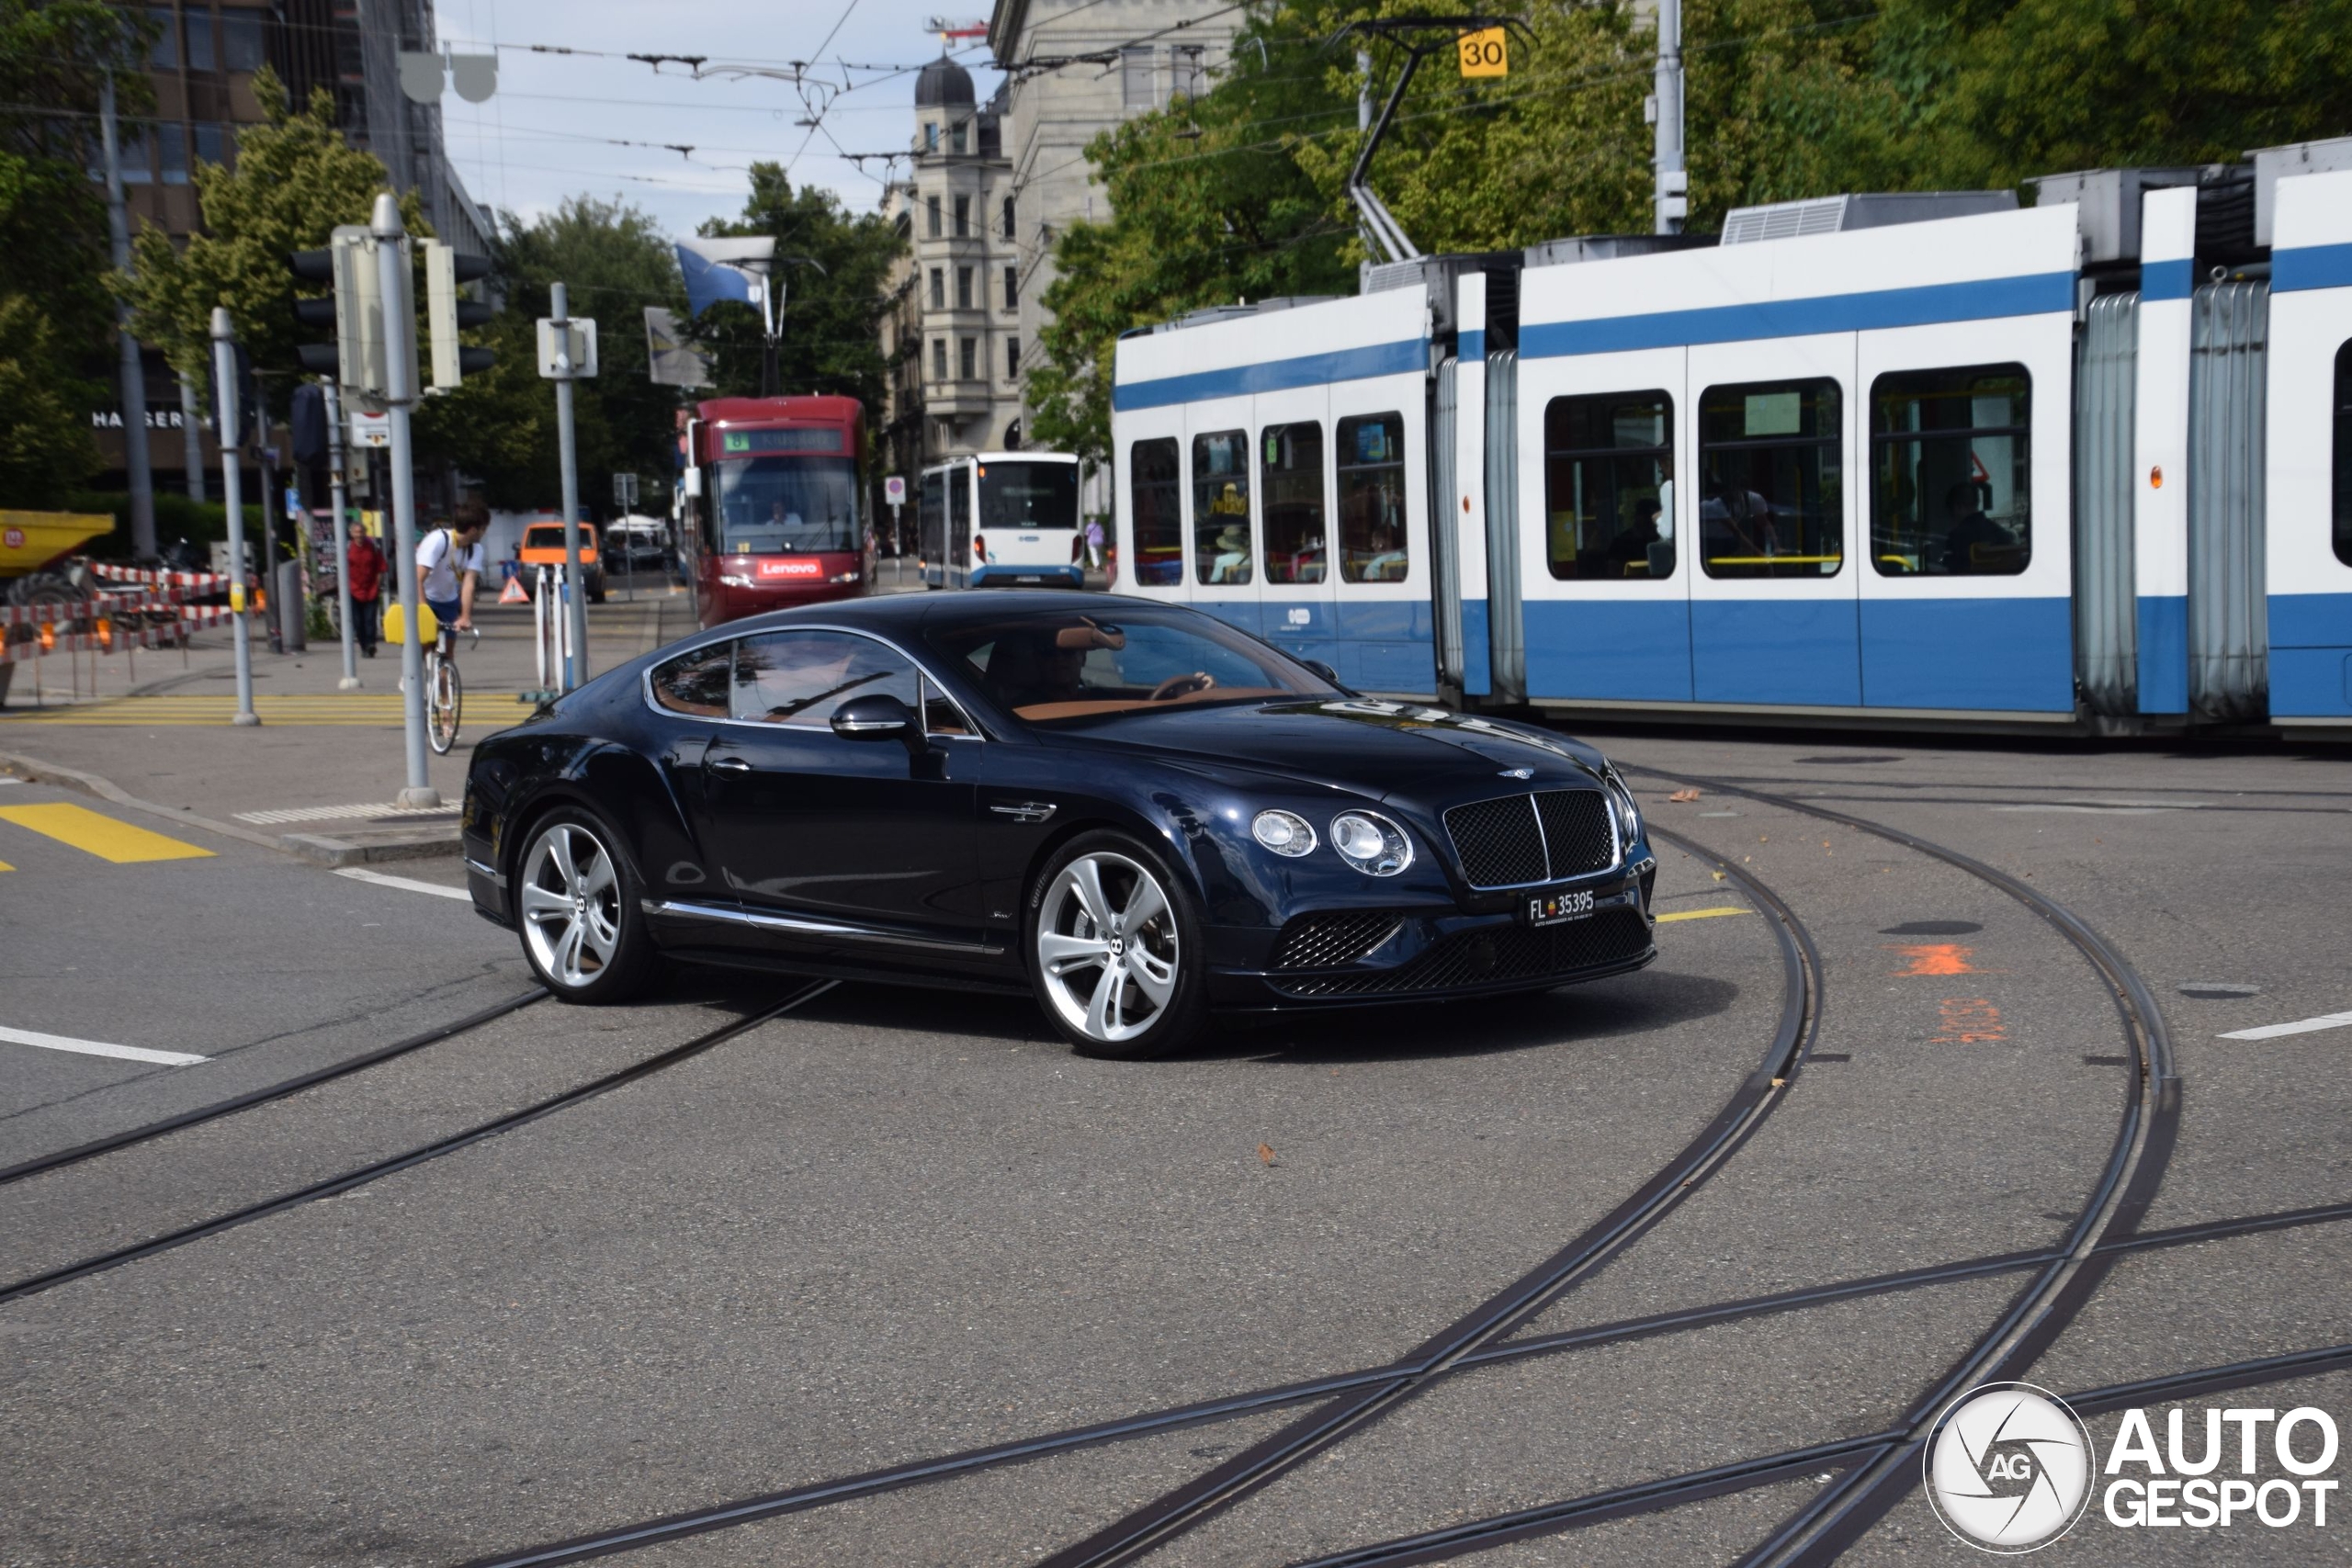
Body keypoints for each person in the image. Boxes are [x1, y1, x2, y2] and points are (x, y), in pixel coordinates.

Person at [418, 498, 489, 635]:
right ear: (473, 530)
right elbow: (417, 579)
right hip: (426, 597)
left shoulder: (476, 549)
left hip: (448, 600)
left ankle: (444, 656)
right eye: (483, 529)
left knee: (448, 649)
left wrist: (465, 617)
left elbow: (469, 585)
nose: (484, 533)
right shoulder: (438, 540)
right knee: (425, 645)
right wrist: (424, 611)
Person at [1938, 481, 2010, 574]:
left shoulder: (1956, 537)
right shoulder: (2000, 533)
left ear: (1959, 507)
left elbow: (1950, 571)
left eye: (1951, 511)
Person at [345, 520, 386, 657]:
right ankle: (364, 647)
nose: (359, 535)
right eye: (356, 532)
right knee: (358, 621)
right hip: (353, 590)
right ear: (351, 534)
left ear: (365, 533)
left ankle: (371, 645)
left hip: (371, 590)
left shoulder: (373, 547)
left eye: (361, 532)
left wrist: (377, 585)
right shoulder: (348, 548)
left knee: (370, 620)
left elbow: (380, 568)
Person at [1604, 498, 1664, 574]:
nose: (1650, 520)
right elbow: (1612, 572)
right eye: (1645, 515)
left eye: (1654, 517)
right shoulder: (1620, 543)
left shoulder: (1661, 542)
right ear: (1637, 516)